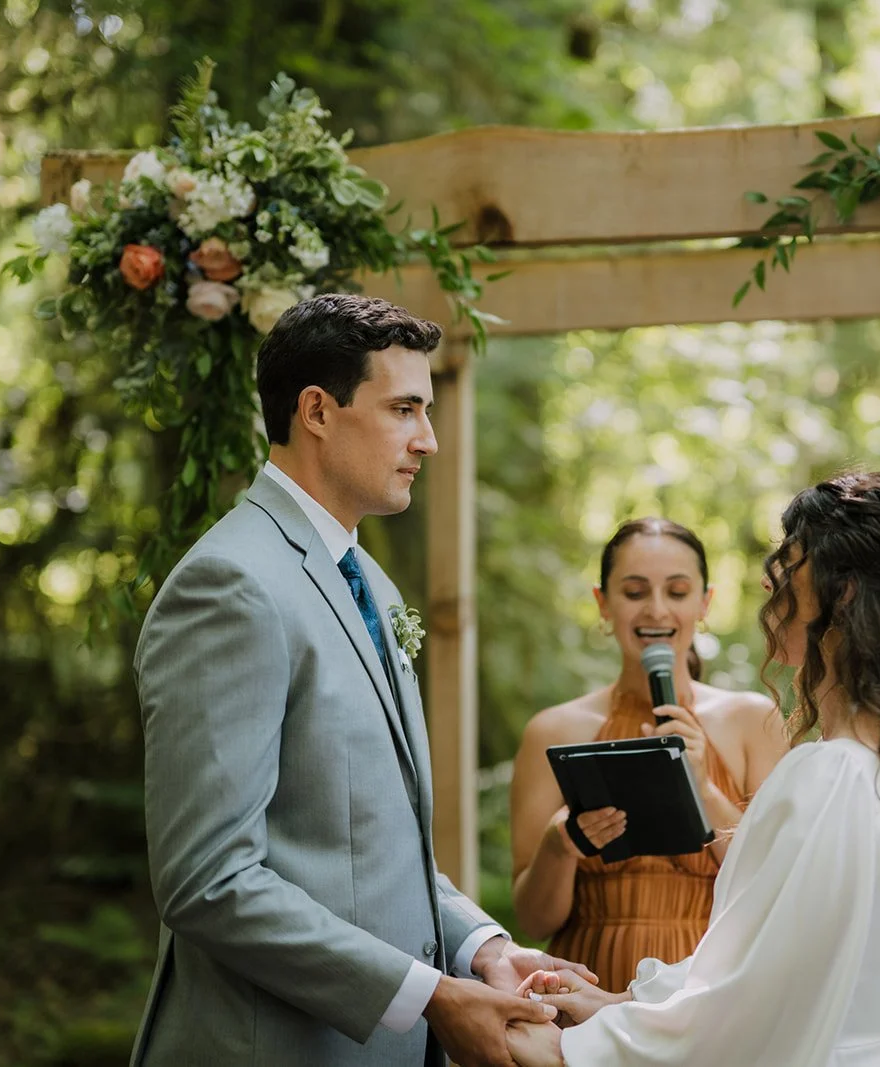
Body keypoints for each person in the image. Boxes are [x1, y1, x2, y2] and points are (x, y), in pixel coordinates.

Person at [504, 472, 880, 1066]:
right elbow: (778, 963)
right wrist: (619, 1003)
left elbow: (752, 1007)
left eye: (789, 565)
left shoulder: (832, 777)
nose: (772, 581)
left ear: (843, 594)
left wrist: (567, 1049)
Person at [130, 294, 591, 1067]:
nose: (430, 440)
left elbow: (371, 847)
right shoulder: (229, 585)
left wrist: (480, 948)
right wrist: (432, 994)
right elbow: (208, 880)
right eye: (405, 409)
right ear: (317, 410)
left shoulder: (366, 578)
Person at [508, 518, 790, 994]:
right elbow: (535, 922)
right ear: (603, 604)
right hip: (587, 986)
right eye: (635, 592)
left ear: (704, 604)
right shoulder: (552, 732)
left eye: (677, 592)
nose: (657, 610)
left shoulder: (753, 721)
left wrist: (702, 785)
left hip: (708, 996)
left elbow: (779, 889)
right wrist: (559, 845)